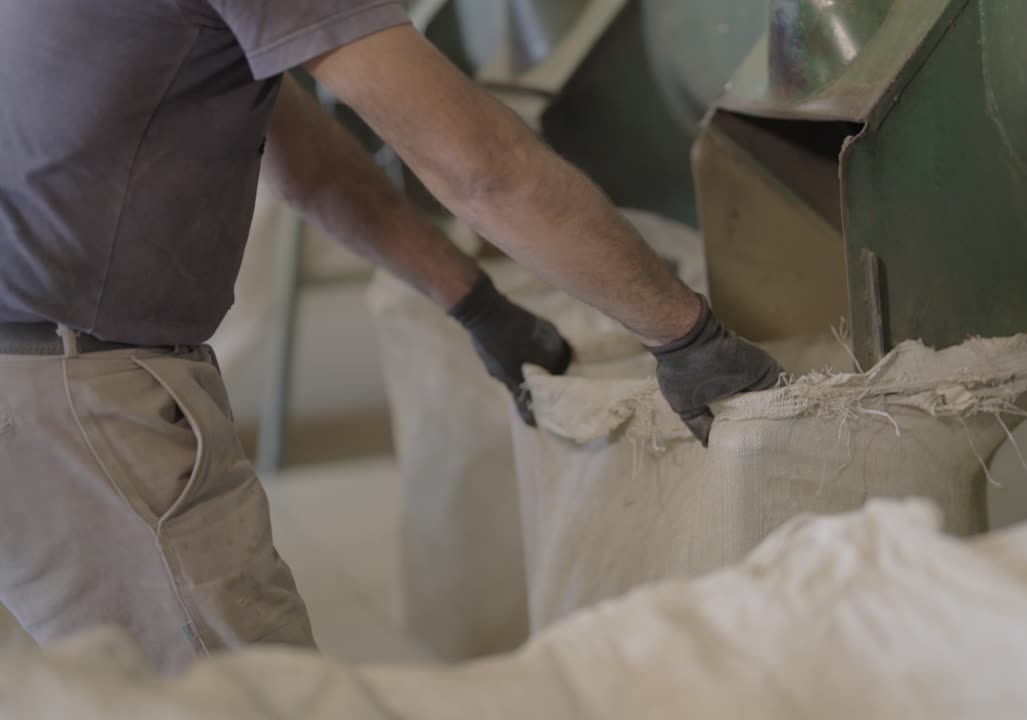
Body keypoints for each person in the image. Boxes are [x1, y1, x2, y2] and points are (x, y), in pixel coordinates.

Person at [0, 1, 783, 672]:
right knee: (255, 698)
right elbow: (480, 164)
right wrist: (687, 335)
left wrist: (473, 299)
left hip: (30, 363)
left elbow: (304, 156)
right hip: (63, 392)